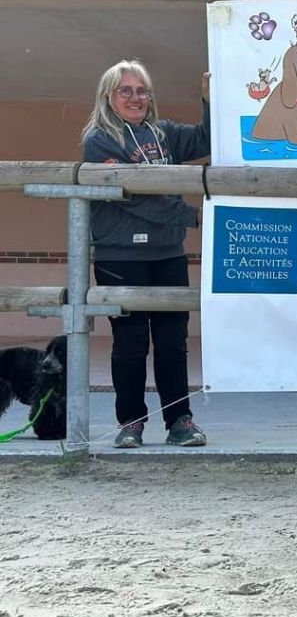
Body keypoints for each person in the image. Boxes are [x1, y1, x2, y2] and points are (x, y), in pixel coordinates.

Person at [81, 60, 209, 449]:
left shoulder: (164, 133)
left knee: (173, 342)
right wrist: (192, 214)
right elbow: (133, 197)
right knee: (131, 342)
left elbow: (207, 140)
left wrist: (209, 100)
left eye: (142, 90)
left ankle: (180, 421)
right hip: (119, 257)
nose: (136, 98)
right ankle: (131, 422)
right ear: (109, 96)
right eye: (127, 91)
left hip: (167, 254)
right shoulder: (99, 139)